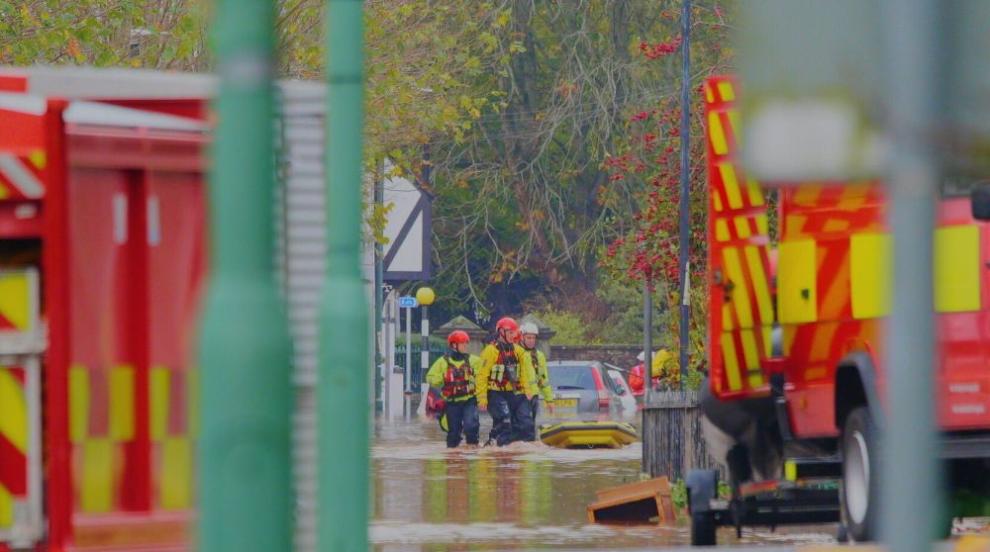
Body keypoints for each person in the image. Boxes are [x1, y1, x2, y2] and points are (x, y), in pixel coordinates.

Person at [476, 316, 537, 446]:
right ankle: (495, 444)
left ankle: (519, 451)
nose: (512, 335)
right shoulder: (490, 351)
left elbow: (524, 373)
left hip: (515, 392)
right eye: (509, 332)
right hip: (495, 393)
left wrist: (528, 390)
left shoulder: (519, 351)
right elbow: (481, 376)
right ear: (501, 332)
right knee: (505, 421)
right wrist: (482, 398)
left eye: (513, 333)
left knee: (527, 424)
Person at [426, 330, 481, 448]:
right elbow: (430, 377)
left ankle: (473, 450)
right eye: (462, 343)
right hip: (451, 402)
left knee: (471, 425)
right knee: (453, 433)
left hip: (469, 400)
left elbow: (484, 372)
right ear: (454, 345)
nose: (465, 346)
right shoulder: (442, 362)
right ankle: (453, 459)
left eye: (466, 343)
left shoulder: (473, 360)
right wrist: (443, 377)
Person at [519, 322, 554, 428]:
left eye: (533, 338)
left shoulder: (539, 356)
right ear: (522, 338)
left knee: (530, 425)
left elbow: (543, 379)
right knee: (524, 425)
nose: (531, 341)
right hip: (520, 395)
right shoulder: (517, 353)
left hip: (533, 396)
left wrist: (549, 399)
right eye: (528, 338)